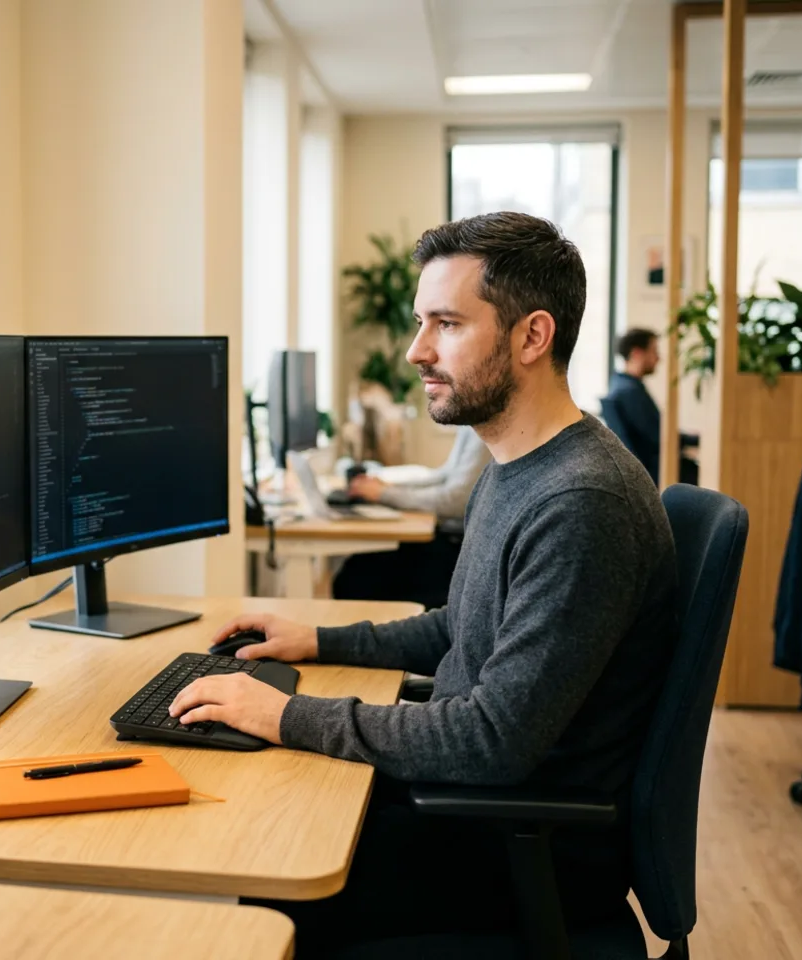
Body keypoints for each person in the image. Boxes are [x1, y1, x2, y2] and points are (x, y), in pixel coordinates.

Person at [168, 212, 679, 955]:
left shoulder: (582, 503)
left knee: (247, 856)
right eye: (420, 322)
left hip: (511, 847)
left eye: (446, 323)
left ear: (532, 336)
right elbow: (459, 626)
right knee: (248, 805)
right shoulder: (518, 465)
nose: (416, 351)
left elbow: (492, 740)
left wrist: (286, 715)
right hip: (474, 814)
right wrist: (317, 639)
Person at [331, 425, 491, 607]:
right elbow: (444, 475)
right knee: (354, 568)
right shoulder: (471, 427)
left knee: (353, 579)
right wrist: (388, 488)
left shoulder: (485, 428)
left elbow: (455, 502)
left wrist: (384, 494)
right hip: (454, 540)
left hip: (459, 551)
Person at [604, 327, 699, 485]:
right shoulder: (630, 392)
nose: (658, 358)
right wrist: (697, 440)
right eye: (654, 351)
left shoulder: (620, 385)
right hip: (655, 474)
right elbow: (661, 437)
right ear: (636, 354)